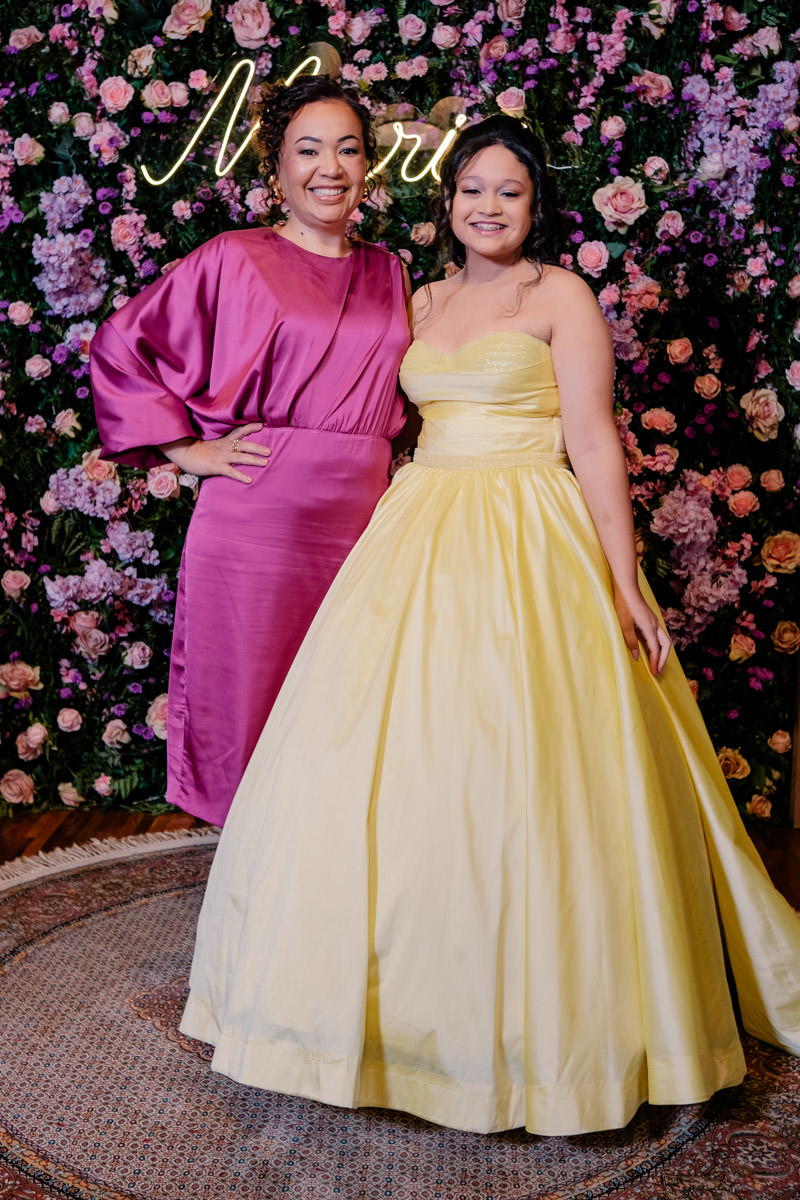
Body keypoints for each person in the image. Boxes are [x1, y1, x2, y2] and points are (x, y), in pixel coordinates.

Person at [179, 115, 800, 1136]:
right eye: (472, 188)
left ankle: (550, 1037)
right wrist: (215, 452)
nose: (487, 207)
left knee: (530, 765)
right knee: (384, 759)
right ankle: (379, 1016)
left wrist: (622, 580)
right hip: (420, 526)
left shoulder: (559, 296)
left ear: (534, 204)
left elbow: (593, 440)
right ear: (448, 198)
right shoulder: (416, 298)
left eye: (509, 191)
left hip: (531, 527)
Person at [90, 75, 411, 826]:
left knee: (353, 700)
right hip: (257, 519)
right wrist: (186, 449)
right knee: (250, 701)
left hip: (367, 524)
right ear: (277, 168)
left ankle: (334, 871)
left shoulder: (389, 270)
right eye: (309, 149)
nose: (329, 167)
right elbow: (121, 345)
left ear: (367, 166)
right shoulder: (234, 257)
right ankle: (247, 877)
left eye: (347, 149)